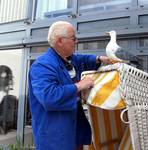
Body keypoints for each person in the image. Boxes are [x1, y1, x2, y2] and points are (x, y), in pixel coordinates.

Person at [28, 21, 113, 150]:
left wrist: (99, 59)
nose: (76, 41)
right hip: (55, 138)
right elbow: (49, 97)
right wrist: (78, 86)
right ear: (60, 41)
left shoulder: (68, 58)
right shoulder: (42, 65)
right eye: (73, 38)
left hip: (74, 133)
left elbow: (82, 59)